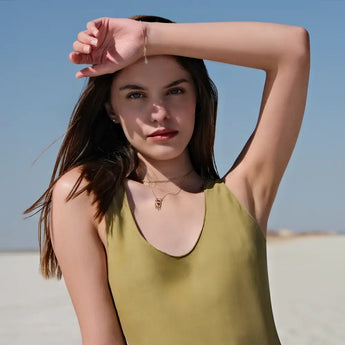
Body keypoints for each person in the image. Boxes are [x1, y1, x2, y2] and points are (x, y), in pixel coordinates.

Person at [26, 15, 310, 345]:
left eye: (175, 90)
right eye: (136, 95)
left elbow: (292, 48)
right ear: (111, 110)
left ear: (197, 99)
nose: (159, 112)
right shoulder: (85, 195)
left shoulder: (244, 194)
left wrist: (149, 37)